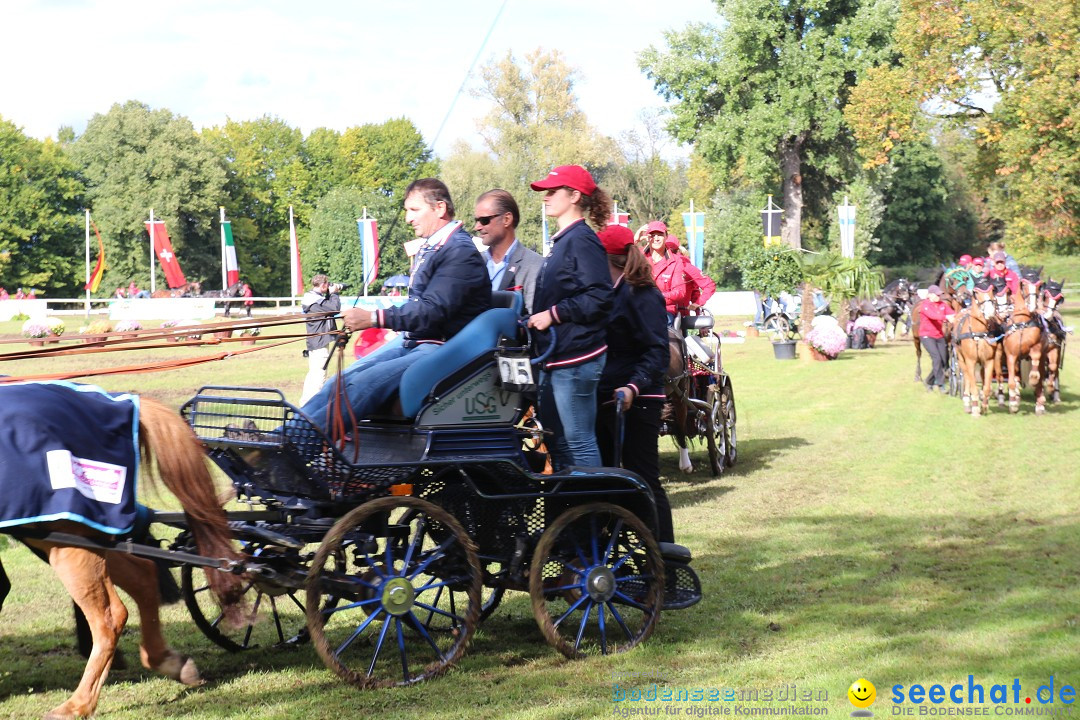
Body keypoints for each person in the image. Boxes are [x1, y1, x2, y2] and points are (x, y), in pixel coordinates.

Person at [299, 178, 490, 432]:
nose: (408, 219)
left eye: (414, 210)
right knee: (339, 381)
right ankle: (282, 438)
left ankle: (295, 444)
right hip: (416, 342)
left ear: (440, 208)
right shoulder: (435, 248)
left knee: (363, 384)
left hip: (444, 348)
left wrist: (374, 318)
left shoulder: (459, 252)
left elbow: (432, 310)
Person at [527, 164, 613, 469]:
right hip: (560, 358)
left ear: (574, 195)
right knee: (560, 442)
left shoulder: (581, 240)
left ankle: (593, 512)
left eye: (552, 191)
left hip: (576, 360)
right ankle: (574, 510)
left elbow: (600, 297)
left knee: (578, 441)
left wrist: (553, 314)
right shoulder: (565, 241)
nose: (546, 197)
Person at [594, 225, 673, 542]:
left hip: (639, 401)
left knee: (645, 479)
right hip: (608, 399)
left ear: (608, 258)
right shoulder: (609, 291)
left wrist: (633, 387)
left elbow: (658, 351)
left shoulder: (642, 294)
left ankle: (666, 558)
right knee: (608, 479)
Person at [474, 189, 544, 314]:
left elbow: (533, 318)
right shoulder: (473, 262)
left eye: (484, 220)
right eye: (476, 220)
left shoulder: (534, 265)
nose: (477, 227)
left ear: (507, 219)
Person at [650, 228, 715, 322]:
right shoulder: (651, 264)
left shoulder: (685, 266)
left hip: (679, 317)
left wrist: (698, 305)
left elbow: (704, 287)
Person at [298, 274, 342, 407]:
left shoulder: (313, 299)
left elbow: (327, 308)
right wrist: (334, 294)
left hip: (316, 341)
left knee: (313, 373)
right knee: (319, 374)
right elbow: (334, 309)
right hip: (319, 342)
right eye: (327, 285)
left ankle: (305, 403)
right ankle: (311, 405)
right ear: (323, 285)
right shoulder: (315, 301)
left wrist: (329, 294)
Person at [920, 284, 955, 393]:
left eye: (940, 295)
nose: (939, 297)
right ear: (930, 295)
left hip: (939, 335)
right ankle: (940, 385)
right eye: (937, 295)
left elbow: (953, 313)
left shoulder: (942, 305)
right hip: (927, 335)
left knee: (943, 360)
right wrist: (946, 318)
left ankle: (929, 381)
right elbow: (933, 316)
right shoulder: (925, 305)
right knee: (937, 358)